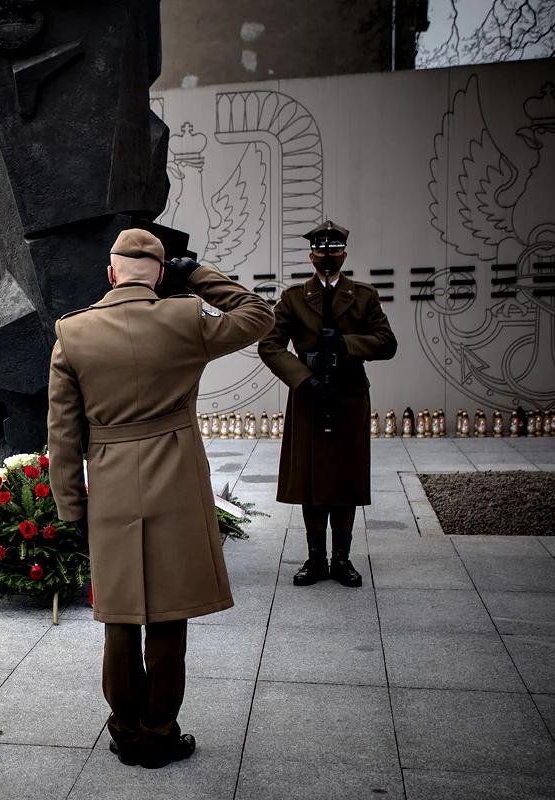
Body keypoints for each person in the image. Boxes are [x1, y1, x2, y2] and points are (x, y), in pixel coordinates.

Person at [46, 228, 274, 769]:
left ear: (110, 274)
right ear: (160, 275)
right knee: (168, 612)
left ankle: (126, 728)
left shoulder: (73, 332)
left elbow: (62, 431)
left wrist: (68, 507)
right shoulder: (185, 316)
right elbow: (259, 315)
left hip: (113, 477)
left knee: (121, 612)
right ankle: (161, 729)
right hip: (175, 476)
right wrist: (196, 275)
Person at [258, 221, 397, 588]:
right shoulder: (292, 298)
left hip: (349, 394)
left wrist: (347, 345)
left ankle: (342, 559)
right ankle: (316, 559)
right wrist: (303, 379)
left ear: (344, 254)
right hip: (309, 395)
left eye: (334, 250)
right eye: (320, 251)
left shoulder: (363, 296)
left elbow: (387, 342)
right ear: (311, 256)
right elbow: (270, 345)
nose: (326, 256)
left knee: (345, 477)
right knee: (312, 479)